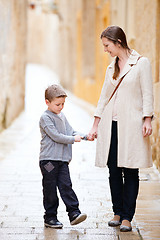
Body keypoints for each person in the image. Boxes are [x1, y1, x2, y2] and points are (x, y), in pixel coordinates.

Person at [88, 25, 154, 232]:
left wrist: (147, 119)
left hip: (132, 126)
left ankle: (127, 217)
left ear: (118, 42)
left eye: (107, 45)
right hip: (111, 126)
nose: (105, 50)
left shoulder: (141, 64)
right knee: (114, 171)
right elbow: (103, 97)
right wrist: (96, 124)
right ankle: (117, 212)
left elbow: (147, 94)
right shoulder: (111, 68)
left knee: (130, 169)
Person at [39, 84, 87, 228]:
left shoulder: (62, 116)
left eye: (63, 104)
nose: (61, 107)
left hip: (62, 160)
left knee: (66, 185)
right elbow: (56, 136)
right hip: (49, 161)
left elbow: (70, 131)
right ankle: (50, 217)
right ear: (47, 102)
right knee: (50, 188)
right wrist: (73, 139)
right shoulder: (45, 118)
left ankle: (74, 213)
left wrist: (85, 136)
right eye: (58, 104)